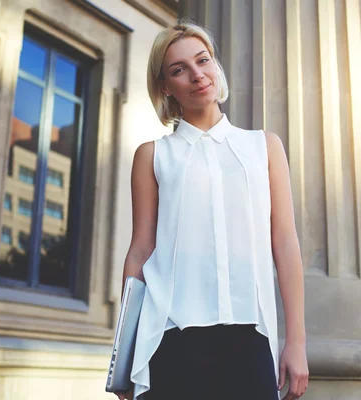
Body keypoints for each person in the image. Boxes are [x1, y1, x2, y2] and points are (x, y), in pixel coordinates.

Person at [115, 21, 308, 400]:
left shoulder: (264, 147)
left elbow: (284, 242)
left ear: (216, 67)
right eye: (178, 69)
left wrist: (297, 342)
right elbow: (140, 251)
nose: (196, 74)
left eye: (203, 60)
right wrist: (124, 356)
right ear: (166, 86)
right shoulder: (153, 156)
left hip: (250, 336)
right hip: (169, 338)